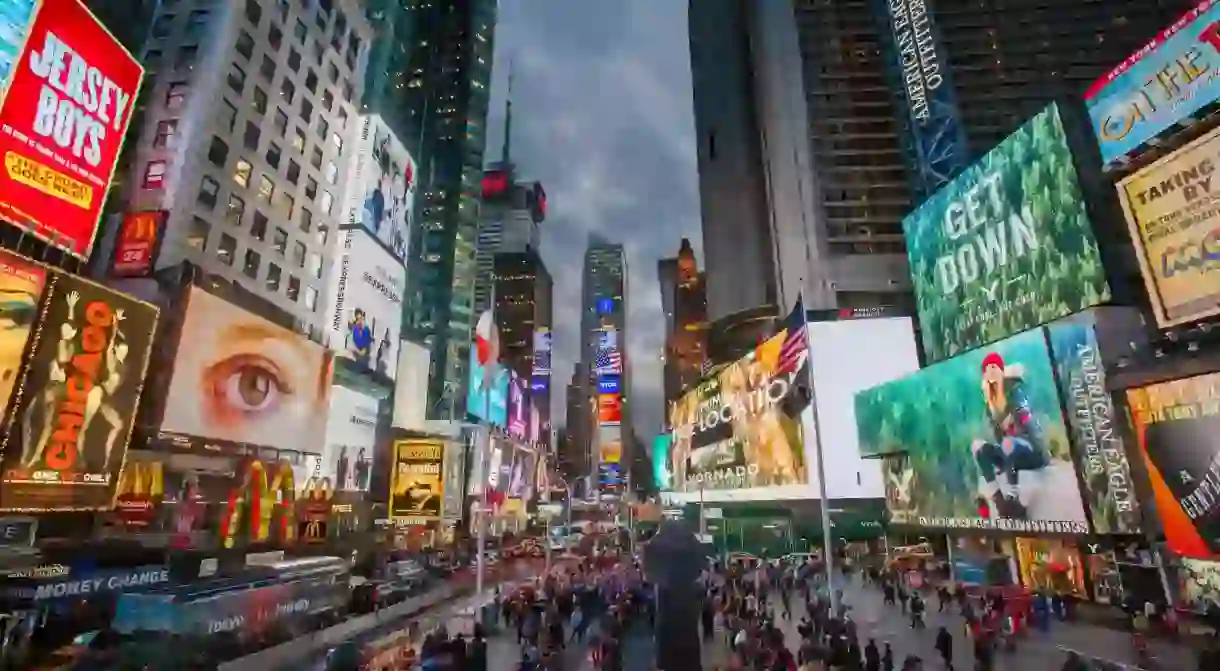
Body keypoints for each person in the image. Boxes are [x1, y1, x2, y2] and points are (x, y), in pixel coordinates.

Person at [971, 352, 1051, 520]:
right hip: (1010, 456)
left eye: (994, 368)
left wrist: (1013, 417)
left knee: (1008, 443)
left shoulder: (1015, 392)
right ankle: (999, 501)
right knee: (977, 446)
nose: (990, 373)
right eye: (987, 370)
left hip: (1030, 450)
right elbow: (998, 437)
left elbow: (1028, 422)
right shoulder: (990, 404)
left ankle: (1013, 499)